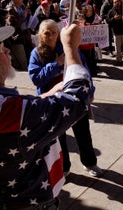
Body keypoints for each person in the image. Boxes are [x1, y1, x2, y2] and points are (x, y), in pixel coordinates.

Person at [0, 18, 93, 209]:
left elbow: (11, 119)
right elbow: (79, 98)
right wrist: (70, 47)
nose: (7, 51)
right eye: (1, 48)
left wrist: (43, 98)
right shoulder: (14, 114)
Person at [28, 20, 102, 180]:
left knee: (83, 133)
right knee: (58, 139)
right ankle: (64, 167)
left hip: (73, 98)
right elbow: (36, 78)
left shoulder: (68, 48)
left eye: (54, 32)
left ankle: (89, 163)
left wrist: (90, 91)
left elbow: (83, 70)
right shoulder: (36, 53)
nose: (51, 36)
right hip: (52, 103)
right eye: (47, 33)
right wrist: (56, 64)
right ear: (40, 35)